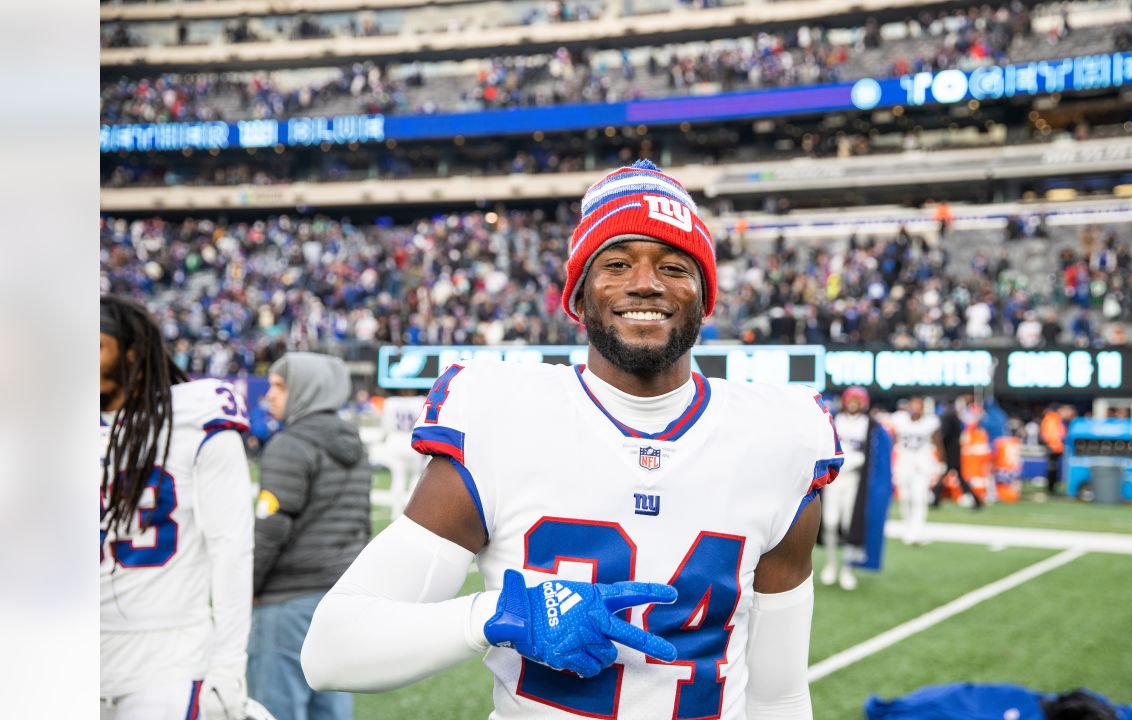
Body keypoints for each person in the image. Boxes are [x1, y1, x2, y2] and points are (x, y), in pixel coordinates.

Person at [301, 159, 844, 718]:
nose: (646, 282)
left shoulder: (778, 439)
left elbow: (778, 694)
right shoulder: (503, 417)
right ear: (578, 298)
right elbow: (333, 650)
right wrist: (497, 616)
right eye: (616, 262)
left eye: (675, 266)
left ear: (704, 298)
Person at [99, 294, 254, 720]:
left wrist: (228, 663)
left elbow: (232, 549)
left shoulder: (193, 421)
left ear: (132, 355)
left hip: (166, 655)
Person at [250, 352, 372, 720]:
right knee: (331, 709)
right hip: (338, 598)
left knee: (274, 709)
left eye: (279, 386)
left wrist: (246, 587)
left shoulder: (289, 445)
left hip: (287, 599)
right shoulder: (356, 444)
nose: (269, 395)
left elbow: (270, 529)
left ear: (306, 389)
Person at [820, 386, 872, 590]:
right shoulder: (834, 419)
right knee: (830, 522)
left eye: (857, 400)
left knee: (851, 524)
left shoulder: (869, 424)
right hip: (835, 478)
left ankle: (847, 568)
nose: (853, 403)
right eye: (851, 399)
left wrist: (857, 462)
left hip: (854, 480)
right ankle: (831, 564)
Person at [889, 397, 944, 546]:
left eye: (918, 406)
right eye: (913, 405)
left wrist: (941, 463)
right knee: (905, 498)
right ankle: (907, 528)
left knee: (919, 498)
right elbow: (892, 438)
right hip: (903, 463)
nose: (915, 408)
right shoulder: (899, 419)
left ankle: (917, 532)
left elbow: (938, 441)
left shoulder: (930, 422)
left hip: (922, 464)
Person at [934, 396, 983, 510]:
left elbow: (945, 436)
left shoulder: (948, 416)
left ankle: (935, 499)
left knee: (950, 476)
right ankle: (935, 499)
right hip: (955, 451)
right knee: (953, 476)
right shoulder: (954, 416)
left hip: (950, 452)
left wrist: (941, 450)